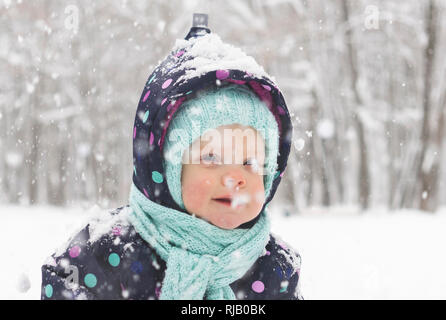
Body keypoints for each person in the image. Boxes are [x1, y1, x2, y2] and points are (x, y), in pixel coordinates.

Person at [41, 24, 303, 300]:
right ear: (167, 169)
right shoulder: (107, 252)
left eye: (250, 163)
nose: (235, 177)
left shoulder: (275, 268)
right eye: (211, 158)